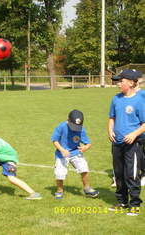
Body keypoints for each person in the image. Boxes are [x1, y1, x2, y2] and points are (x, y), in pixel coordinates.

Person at [108, 69, 145, 216]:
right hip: (117, 143)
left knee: (132, 174)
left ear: (130, 83)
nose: (118, 84)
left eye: (121, 81)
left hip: (133, 144)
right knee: (119, 174)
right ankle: (122, 201)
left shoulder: (139, 100)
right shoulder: (116, 99)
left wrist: (134, 134)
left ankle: (135, 204)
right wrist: (110, 130)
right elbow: (111, 117)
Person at [51, 109, 99, 199]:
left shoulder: (81, 130)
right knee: (59, 173)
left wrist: (85, 147)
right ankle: (59, 190)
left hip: (75, 152)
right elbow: (54, 140)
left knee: (84, 168)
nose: (75, 128)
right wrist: (62, 150)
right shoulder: (61, 127)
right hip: (62, 153)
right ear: (68, 120)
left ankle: (87, 188)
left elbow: (88, 143)